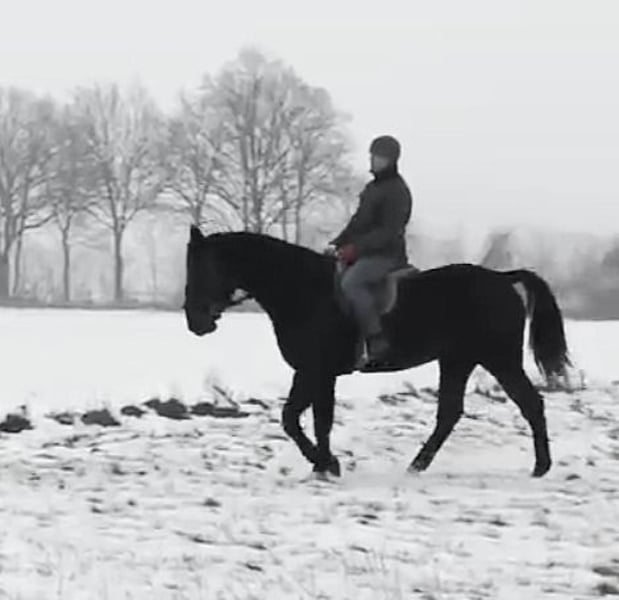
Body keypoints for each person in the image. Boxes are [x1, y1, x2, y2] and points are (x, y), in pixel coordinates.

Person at [330, 135, 413, 367]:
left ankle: (376, 339)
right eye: (373, 156)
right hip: (364, 253)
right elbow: (358, 222)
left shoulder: (397, 190)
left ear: (392, 160)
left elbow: (390, 231)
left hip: (386, 256)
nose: (374, 160)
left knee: (352, 283)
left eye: (380, 157)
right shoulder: (372, 188)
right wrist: (338, 243)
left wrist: (356, 249)